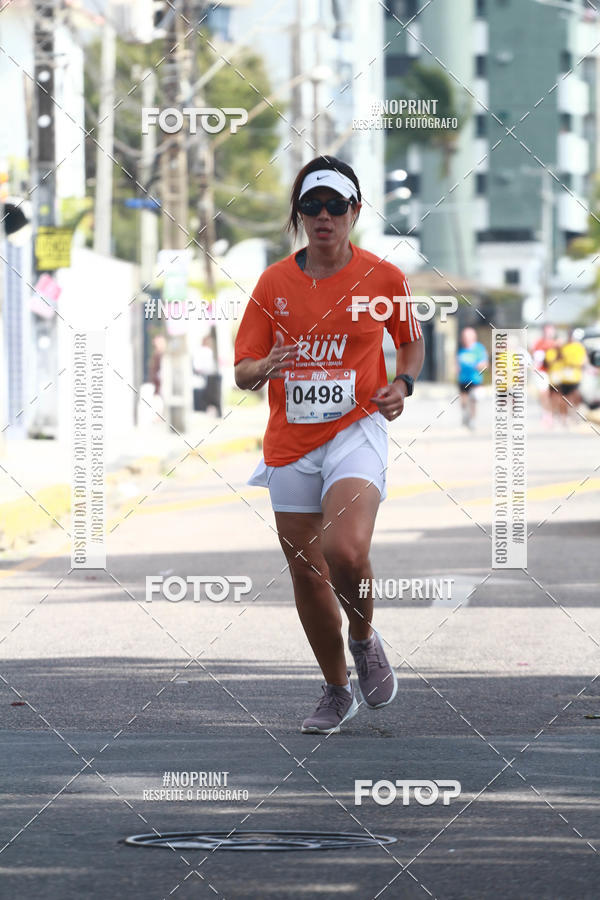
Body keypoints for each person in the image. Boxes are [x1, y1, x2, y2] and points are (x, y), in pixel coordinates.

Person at [234, 156, 425, 735]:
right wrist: (264, 366)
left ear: (355, 212)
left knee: (345, 549)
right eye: (312, 206)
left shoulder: (385, 279)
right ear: (299, 215)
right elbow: (242, 371)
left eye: (335, 206)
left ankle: (364, 637)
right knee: (306, 571)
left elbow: (411, 344)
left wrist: (402, 384)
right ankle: (336, 689)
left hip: (356, 430)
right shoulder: (274, 283)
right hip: (291, 442)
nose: (323, 217)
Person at [545, 328, 587, 425]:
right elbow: (552, 362)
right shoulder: (561, 348)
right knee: (561, 398)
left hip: (575, 377)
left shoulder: (578, 347)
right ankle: (562, 416)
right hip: (563, 378)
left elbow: (582, 361)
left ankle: (574, 414)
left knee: (575, 396)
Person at [456, 327, 487, 429]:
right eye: (464, 337)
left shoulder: (479, 349)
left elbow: (485, 364)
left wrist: (478, 366)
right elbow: (457, 362)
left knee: (473, 399)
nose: (465, 339)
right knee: (464, 401)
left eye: (468, 337)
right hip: (463, 379)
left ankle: (473, 420)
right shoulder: (461, 349)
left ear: (473, 337)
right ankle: (465, 415)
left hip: (475, 379)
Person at [531, 323, 559, 426]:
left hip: (555, 372)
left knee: (555, 394)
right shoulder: (539, 343)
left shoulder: (557, 344)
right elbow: (537, 358)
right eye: (547, 331)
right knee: (544, 393)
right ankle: (547, 414)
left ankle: (553, 412)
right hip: (543, 371)